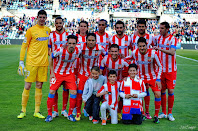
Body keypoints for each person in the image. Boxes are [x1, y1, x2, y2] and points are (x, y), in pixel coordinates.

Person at [17, 10, 51, 119]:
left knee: (39, 85)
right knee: (27, 85)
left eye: (43, 17)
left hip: (43, 63)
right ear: (37, 18)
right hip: (31, 63)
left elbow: (50, 46)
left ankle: (37, 111)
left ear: (46, 18)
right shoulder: (31, 30)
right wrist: (21, 62)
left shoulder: (48, 30)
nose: (42, 19)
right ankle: (23, 110)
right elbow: (24, 46)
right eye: (40, 17)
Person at [125, 37, 162, 124]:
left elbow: (160, 66)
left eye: (143, 46)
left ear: (147, 45)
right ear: (137, 46)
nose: (142, 48)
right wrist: (121, 57)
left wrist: (158, 78)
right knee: (142, 94)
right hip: (140, 77)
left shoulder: (153, 53)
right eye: (140, 46)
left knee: (158, 94)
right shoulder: (135, 52)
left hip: (152, 77)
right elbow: (130, 58)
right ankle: (145, 113)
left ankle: (156, 115)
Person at [45, 35, 81, 122]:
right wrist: (52, 72)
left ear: (76, 44)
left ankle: (70, 114)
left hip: (69, 73)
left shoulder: (78, 51)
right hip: (58, 73)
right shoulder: (61, 50)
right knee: (52, 91)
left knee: (74, 91)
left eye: (73, 43)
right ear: (67, 43)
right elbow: (51, 57)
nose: (71, 45)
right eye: (70, 43)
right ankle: (49, 114)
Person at [76, 33, 107, 121]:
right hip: (83, 73)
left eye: (93, 40)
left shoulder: (100, 48)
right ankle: (78, 112)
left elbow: (107, 56)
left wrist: (101, 68)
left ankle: (90, 110)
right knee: (80, 92)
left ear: (95, 41)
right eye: (89, 40)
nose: (91, 42)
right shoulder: (81, 47)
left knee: (96, 93)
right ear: (86, 40)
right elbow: (74, 52)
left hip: (94, 75)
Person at [153, 22, 177, 121]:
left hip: (171, 70)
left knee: (170, 91)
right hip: (160, 70)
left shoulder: (173, 39)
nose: (160, 30)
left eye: (162, 28)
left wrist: (159, 48)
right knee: (162, 90)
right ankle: (163, 112)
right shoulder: (157, 38)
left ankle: (170, 113)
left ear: (167, 29)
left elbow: (172, 52)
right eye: (160, 28)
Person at [131, 19, 154, 119]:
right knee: (136, 91)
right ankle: (139, 110)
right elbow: (131, 49)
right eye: (139, 26)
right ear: (137, 27)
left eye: (142, 26)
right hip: (136, 68)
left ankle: (147, 111)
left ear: (145, 27)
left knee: (146, 90)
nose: (141, 28)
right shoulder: (132, 36)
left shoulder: (150, 37)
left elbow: (153, 51)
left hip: (147, 68)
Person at [48, 17, 70, 118]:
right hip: (55, 66)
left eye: (60, 23)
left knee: (66, 89)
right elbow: (49, 50)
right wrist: (53, 55)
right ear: (55, 24)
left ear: (63, 23)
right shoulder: (51, 35)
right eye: (56, 23)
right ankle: (55, 110)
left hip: (67, 66)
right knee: (55, 89)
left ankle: (64, 110)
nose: (58, 25)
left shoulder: (68, 35)